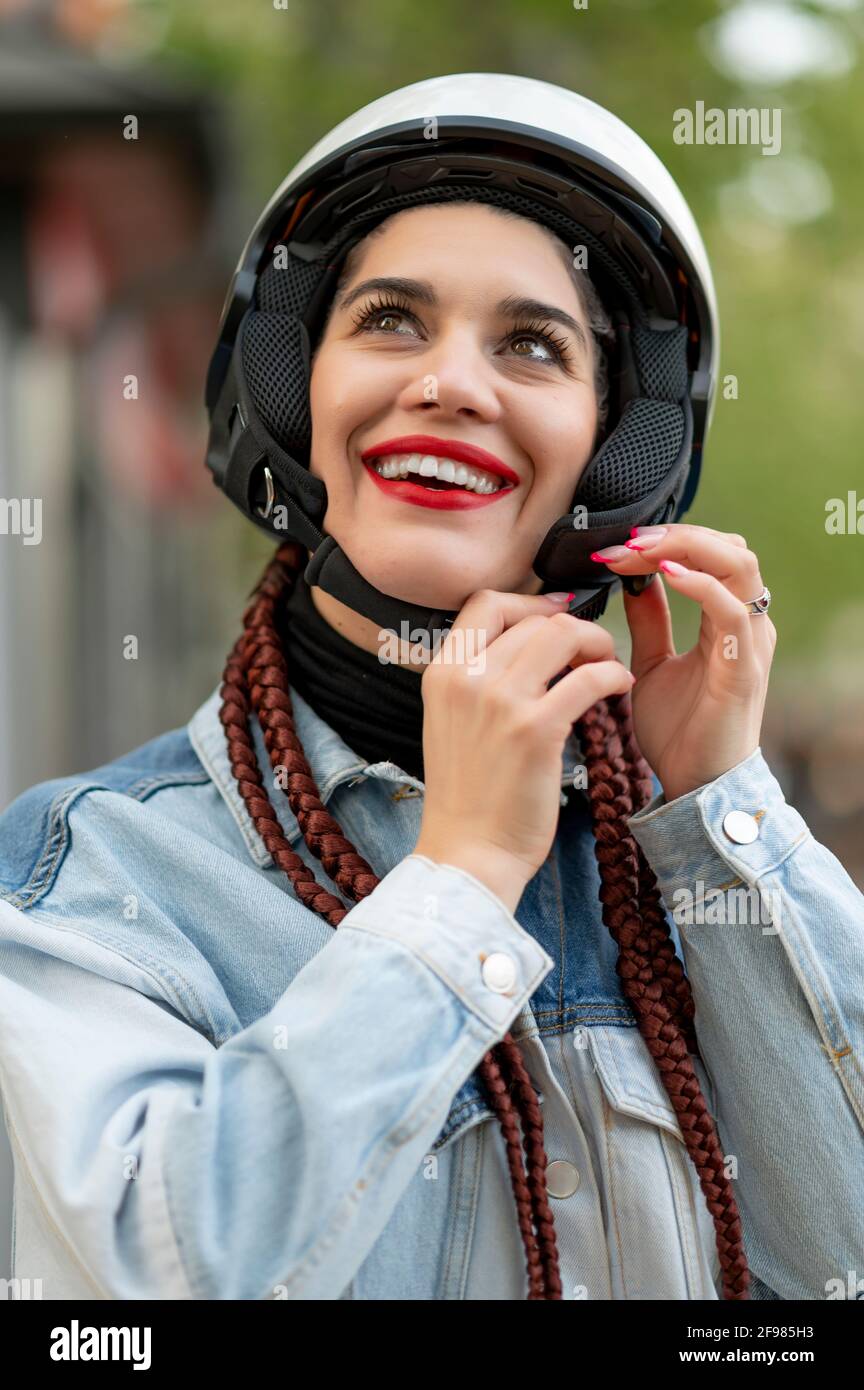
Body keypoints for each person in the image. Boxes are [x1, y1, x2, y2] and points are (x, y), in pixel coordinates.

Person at [0, 73, 861, 1303]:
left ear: (620, 455)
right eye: (392, 320)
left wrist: (721, 810)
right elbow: (167, 1283)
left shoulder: (691, 877)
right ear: (292, 399)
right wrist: (457, 882)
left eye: (530, 343)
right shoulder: (85, 877)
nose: (452, 382)